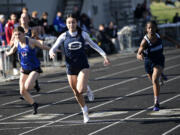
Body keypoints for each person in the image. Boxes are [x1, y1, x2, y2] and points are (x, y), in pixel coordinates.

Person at [49, 14, 110, 123]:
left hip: (83, 66)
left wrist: (104, 55)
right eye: (69, 22)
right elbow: (54, 47)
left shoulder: (83, 34)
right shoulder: (63, 36)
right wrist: (52, 52)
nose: (71, 24)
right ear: (66, 24)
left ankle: (86, 88)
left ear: (77, 23)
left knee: (80, 89)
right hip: (70, 67)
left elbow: (94, 45)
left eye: (73, 22)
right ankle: (84, 110)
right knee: (76, 92)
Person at [136, 21, 180, 111]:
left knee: (154, 79)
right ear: (146, 29)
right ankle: (160, 75)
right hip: (148, 62)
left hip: (159, 60)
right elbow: (139, 52)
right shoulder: (145, 41)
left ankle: (156, 102)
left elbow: (167, 37)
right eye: (149, 28)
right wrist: (139, 55)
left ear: (156, 28)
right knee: (153, 81)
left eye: (153, 27)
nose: (151, 29)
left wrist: (176, 43)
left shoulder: (159, 36)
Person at [6, 26, 50, 114]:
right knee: (22, 91)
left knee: (27, 86)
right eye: (15, 35)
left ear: (24, 34)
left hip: (35, 68)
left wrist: (54, 50)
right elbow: (12, 51)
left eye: (19, 34)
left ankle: (35, 83)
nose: (17, 36)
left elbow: (43, 46)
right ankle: (34, 104)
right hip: (24, 69)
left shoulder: (30, 41)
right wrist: (7, 53)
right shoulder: (16, 42)